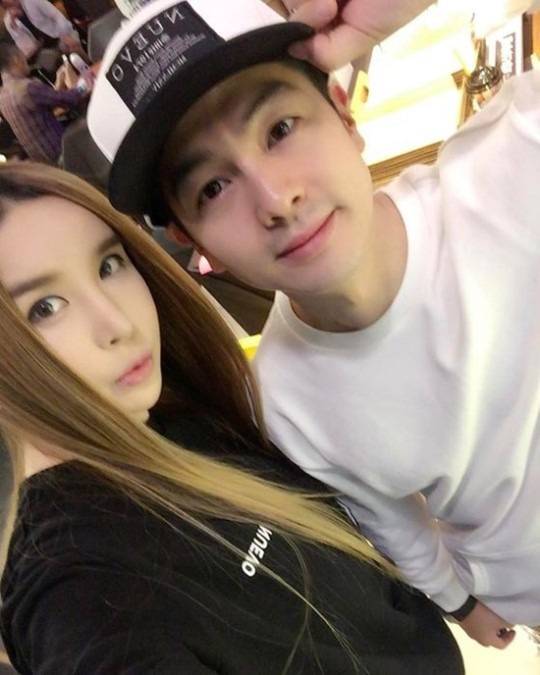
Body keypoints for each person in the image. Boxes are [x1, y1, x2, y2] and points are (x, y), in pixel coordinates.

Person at [87, 0, 540, 650]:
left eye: (279, 129)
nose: (276, 200)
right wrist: (459, 600)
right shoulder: (287, 399)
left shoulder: (517, 155)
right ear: (194, 241)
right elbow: (392, 524)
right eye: (213, 187)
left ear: (344, 113)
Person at [0, 161, 463, 674]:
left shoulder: (174, 414)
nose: (117, 322)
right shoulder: (74, 587)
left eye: (109, 265)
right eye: (45, 308)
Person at [0, 44, 84, 162]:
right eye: (21, 54)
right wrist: (83, 84)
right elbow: (71, 99)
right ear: (15, 59)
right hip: (62, 151)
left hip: (44, 162)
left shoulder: (3, 97)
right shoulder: (27, 87)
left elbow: (46, 105)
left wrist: (59, 81)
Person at [1, 0, 79, 60]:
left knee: (72, 48)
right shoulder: (9, 22)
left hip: (61, 34)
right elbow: (26, 49)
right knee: (46, 61)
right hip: (43, 50)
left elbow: (57, 16)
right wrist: (16, 30)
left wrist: (64, 35)